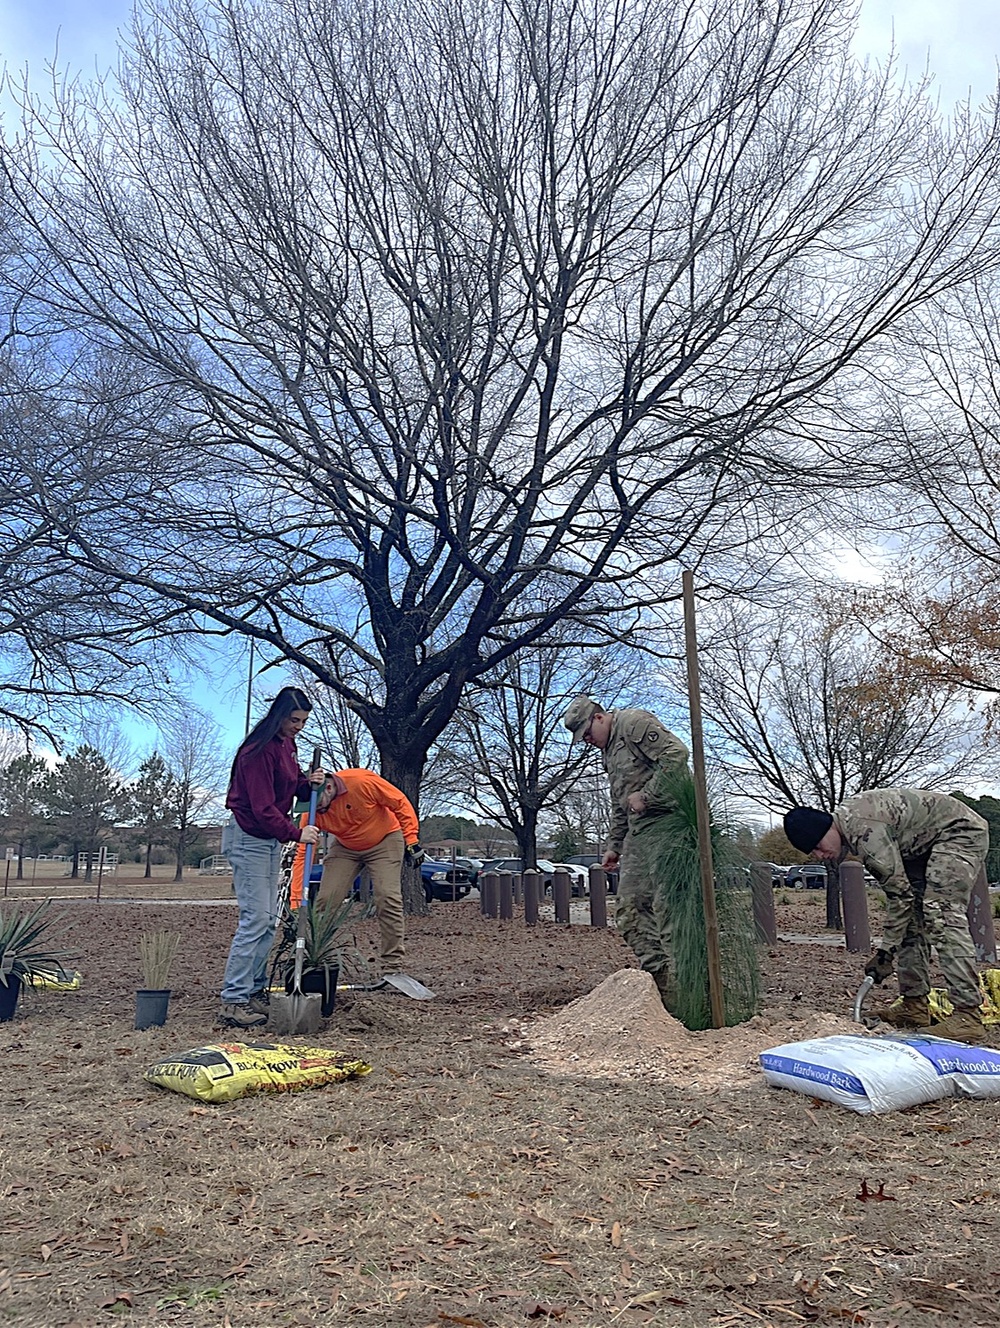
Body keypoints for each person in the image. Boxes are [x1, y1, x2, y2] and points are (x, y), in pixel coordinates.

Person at [783, 790, 989, 1043]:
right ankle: (914, 1006)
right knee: (913, 919)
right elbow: (904, 902)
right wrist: (887, 951)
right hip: (921, 844)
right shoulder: (852, 826)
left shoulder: (865, 833)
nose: (819, 855)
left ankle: (968, 1016)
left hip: (959, 832)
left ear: (828, 828)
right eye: (812, 853)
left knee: (941, 913)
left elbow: (899, 897)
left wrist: (885, 954)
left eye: (817, 846)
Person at [562, 695, 689, 1009]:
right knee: (630, 911)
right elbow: (621, 800)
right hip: (640, 832)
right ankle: (666, 991)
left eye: (588, 734)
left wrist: (647, 796)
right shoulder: (608, 751)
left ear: (600, 717)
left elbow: (677, 756)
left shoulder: (634, 723)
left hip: (671, 823)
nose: (588, 741)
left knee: (668, 909)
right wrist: (614, 846)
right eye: (582, 739)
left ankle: (691, 986)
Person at [219, 687, 325, 1029]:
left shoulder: (286, 746)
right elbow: (263, 808)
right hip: (248, 835)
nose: (299, 726)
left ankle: (253, 991)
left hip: (266, 840)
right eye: (294, 720)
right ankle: (233, 1001)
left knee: (268, 921)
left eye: (304, 721)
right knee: (255, 919)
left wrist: (310, 784)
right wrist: (297, 833)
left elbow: (293, 786)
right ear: (279, 715)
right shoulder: (257, 751)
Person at [300, 768, 425, 977]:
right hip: (345, 847)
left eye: (319, 805)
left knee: (387, 897)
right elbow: (303, 856)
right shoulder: (311, 813)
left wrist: (411, 839)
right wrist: (297, 898)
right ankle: (317, 960)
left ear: (329, 788)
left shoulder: (360, 782)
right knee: (326, 900)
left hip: (384, 839)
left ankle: (392, 966)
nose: (317, 811)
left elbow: (399, 802)